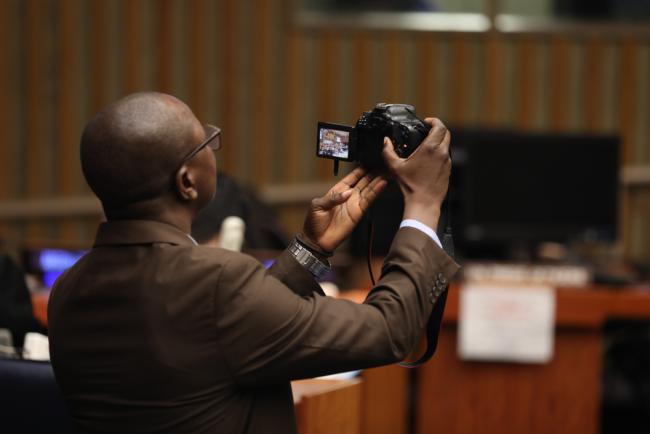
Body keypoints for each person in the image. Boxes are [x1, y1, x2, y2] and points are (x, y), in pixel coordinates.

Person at [47, 91, 459, 434]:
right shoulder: (216, 281)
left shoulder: (68, 289)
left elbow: (217, 338)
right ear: (186, 182)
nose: (213, 147)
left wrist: (309, 250)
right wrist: (422, 207)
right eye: (206, 141)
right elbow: (388, 331)